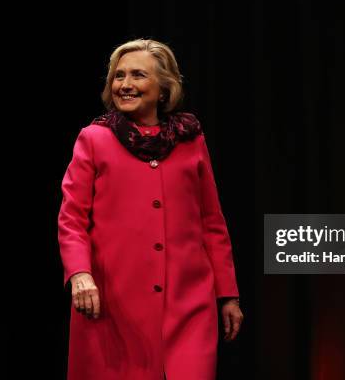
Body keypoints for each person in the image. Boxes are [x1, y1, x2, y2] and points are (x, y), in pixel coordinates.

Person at [58, 38, 244, 380]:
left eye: (138, 75)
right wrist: (80, 274)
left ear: (163, 89)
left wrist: (227, 294)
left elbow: (212, 222)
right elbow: (71, 218)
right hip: (113, 307)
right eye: (119, 76)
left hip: (189, 307)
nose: (125, 85)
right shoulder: (94, 139)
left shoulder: (191, 140)